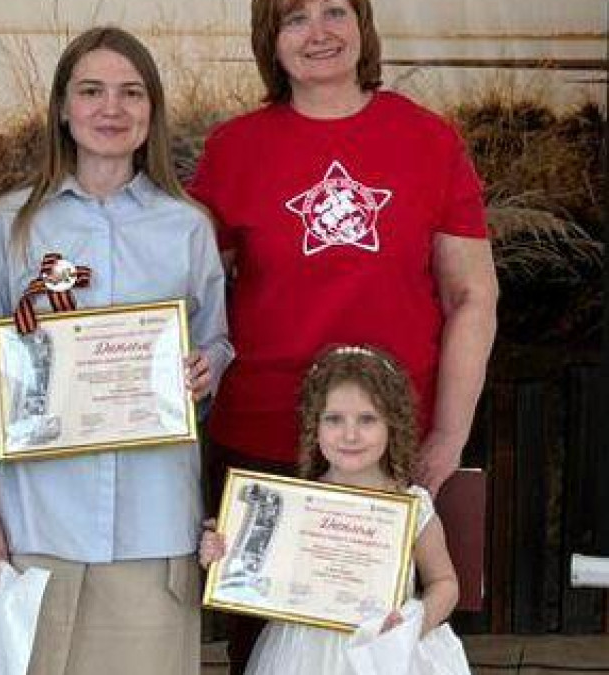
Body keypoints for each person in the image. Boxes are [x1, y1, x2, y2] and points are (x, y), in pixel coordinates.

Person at [186, 0, 497, 668]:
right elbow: (194, 293)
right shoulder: (233, 149)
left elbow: (472, 295)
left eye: (335, 10)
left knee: (388, 650)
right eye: (294, 18)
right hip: (266, 449)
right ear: (270, 39)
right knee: (269, 655)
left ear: (364, 24)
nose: (318, 32)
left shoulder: (429, 140)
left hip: (391, 450)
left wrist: (448, 435)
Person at [0, 26, 234, 675]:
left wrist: (207, 367)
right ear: (63, 107)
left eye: (130, 92)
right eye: (91, 91)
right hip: (37, 523)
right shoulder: (11, 225)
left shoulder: (186, 226)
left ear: (151, 110)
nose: (111, 108)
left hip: (153, 523)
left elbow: (216, 339)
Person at [200, 345, 471, 675]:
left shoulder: (412, 506)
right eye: (334, 419)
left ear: (392, 424)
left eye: (367, 419)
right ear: (315, 426)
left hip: (382, 652)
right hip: (301, 656)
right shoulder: (293, 504)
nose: (350, 435)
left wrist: (415, 622)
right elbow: (255, 573)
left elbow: (444, 582)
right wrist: (223, 552)